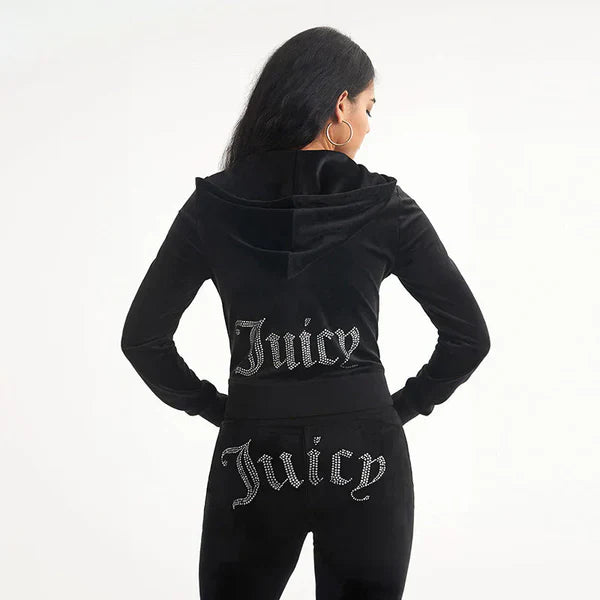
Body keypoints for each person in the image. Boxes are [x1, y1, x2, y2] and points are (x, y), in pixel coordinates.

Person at [120, 26, 490, 600]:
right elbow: (468, 337)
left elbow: (143, 338)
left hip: (252, 455)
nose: (369, 124)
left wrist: (219, 409)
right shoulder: (385, 206)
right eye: (368, 108)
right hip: (365, 455)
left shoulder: (213, 206)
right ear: (340, 107)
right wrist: (397, 409)